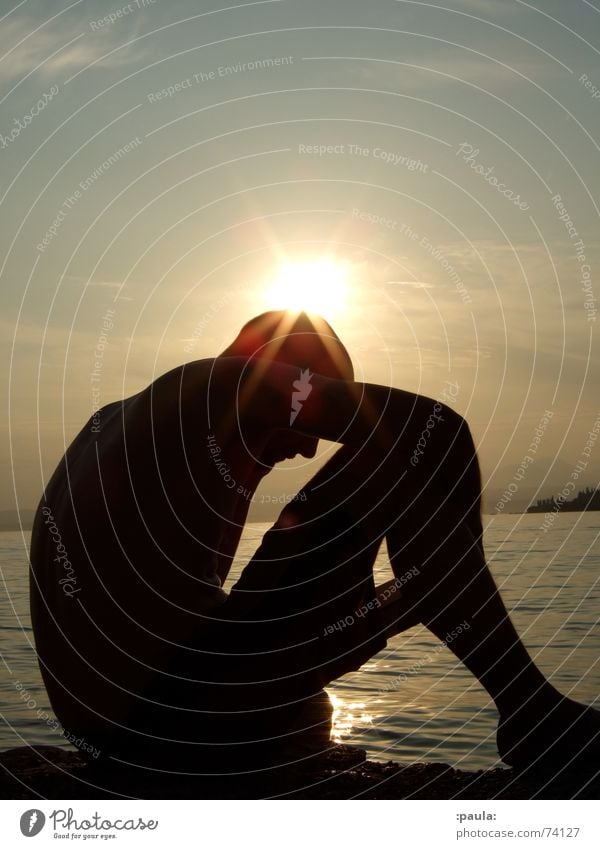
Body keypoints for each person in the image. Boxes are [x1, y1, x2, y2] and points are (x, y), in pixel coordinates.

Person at [30, 310, 599, 774]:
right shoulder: (232, 383)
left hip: (117, 733)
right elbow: (437, 428)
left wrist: (417, 590)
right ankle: (530, 710)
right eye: (322, 404)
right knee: (414, 451)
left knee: (413, 573)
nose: (309, 450)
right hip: (178, 724)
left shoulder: (118, 423)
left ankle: (525, 703)